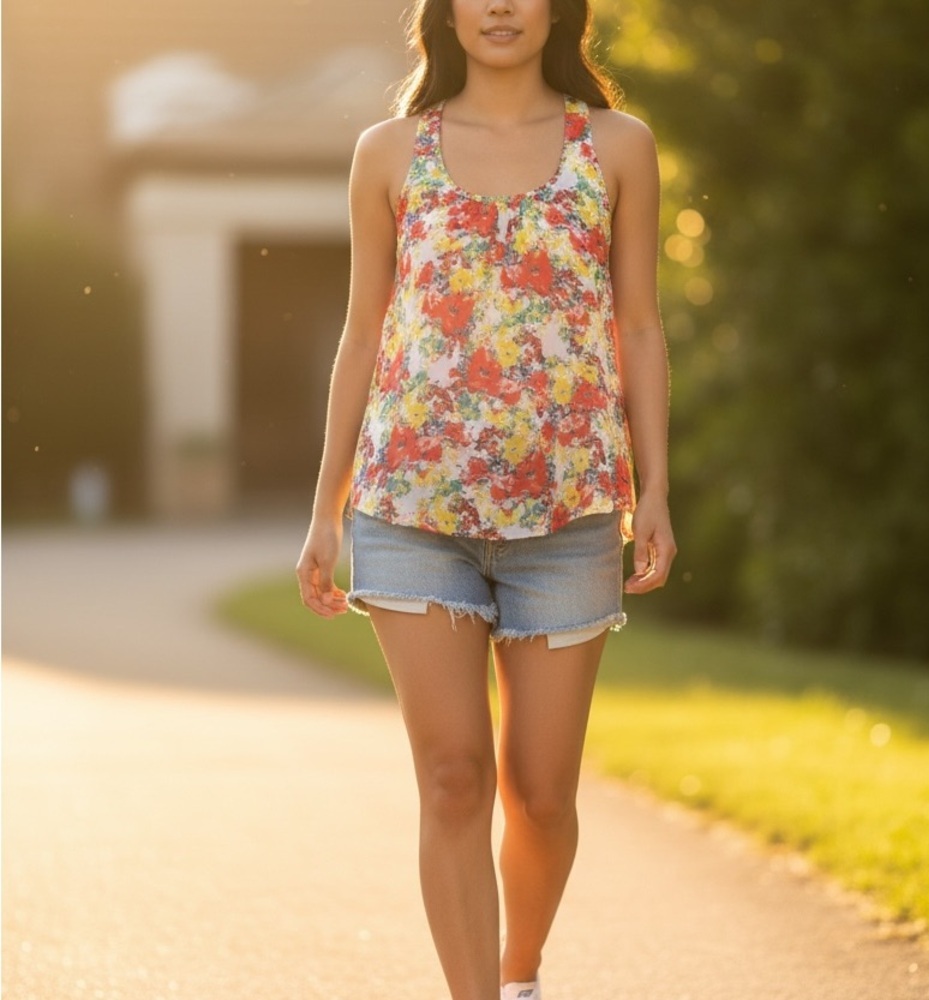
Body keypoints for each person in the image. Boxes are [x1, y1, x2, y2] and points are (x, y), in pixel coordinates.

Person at [296, 0, 676, 996]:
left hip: (571, 514)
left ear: (557, 7)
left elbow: (637, 327)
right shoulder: (388, 151)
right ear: (445, 10)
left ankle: (520, 970)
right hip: (409, 509)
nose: (499, 4)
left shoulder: (618, 148)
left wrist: (657, 492)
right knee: (453, 778)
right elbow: (361, 332)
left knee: (541, 794)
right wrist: (325, 508)